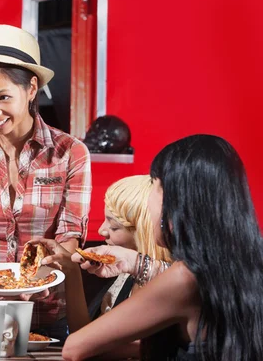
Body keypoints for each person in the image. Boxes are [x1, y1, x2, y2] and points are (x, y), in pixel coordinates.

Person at [0, 24, 92, 340]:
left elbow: (70, 236)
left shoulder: (69, 153)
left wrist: (35, 277)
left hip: (47, 310)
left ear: (32, 89)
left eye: (3, 97)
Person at [61, 135, 263, 360]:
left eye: (155, 186)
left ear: (175, 201)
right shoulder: (245, 268)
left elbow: (75, 348)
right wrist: (135, 263)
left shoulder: (185, 279)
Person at [32, 175, 172, 359]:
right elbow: (82, 333)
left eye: (114, 227)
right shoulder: (125, 276)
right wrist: (71, 270)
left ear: (142, 231)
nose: (101, 230)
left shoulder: (168, 286)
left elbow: (83, 346)